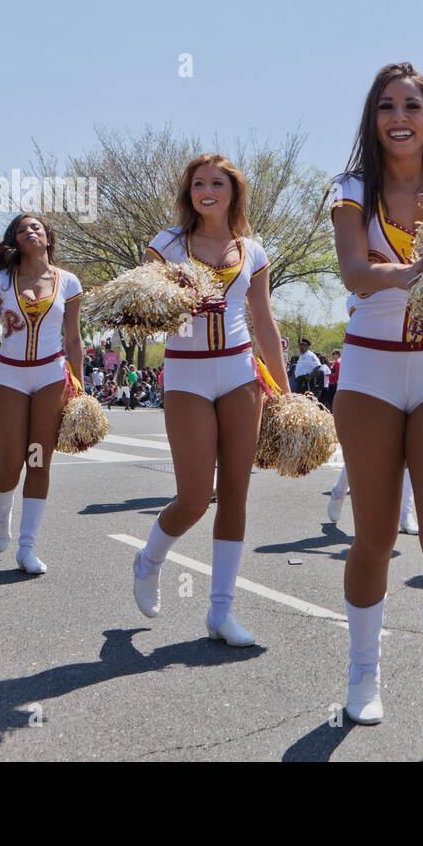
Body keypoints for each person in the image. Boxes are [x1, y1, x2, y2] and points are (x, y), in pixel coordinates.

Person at [328, 62, 423, 760]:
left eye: (412, 105)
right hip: (369, 372)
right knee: (376, 536)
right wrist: (416, 273)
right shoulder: (351, 189)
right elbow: (357, 273)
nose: (400, 115)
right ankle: (364, 673)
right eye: (387, 105)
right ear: (373, 117)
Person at [129, 154, 291, 645]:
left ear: (232, 192)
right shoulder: (166, 245)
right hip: (187, 374)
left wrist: (284, 394)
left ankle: (221, 612)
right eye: (198, 183)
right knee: (196, 497)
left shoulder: (253, 252)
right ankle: (150, 558)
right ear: (189, 193)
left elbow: (263, 321)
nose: (207, 190)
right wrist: (171, 299)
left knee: (237, 493)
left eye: (217, 183)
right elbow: (143, 310)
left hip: (242, 374)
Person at [0, 214, 85, 574]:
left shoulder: (68, 282)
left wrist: (79, 388)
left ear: (48, 236)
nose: (29, 232)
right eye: (21, 230)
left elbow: (74, 339)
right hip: (10, 378)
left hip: (51, 376)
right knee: (8, 464)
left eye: (35, 227)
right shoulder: (1, 281)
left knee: (38, 460)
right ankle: (2, 519)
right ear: (15, 241)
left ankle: (27, 546)